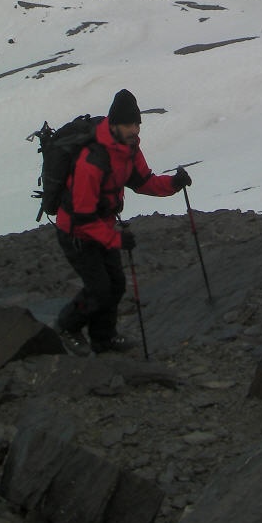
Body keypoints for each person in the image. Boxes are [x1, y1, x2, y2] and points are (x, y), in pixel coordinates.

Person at [54, 87, 191, 355]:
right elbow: (82, 216)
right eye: (129, 124)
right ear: (114, 124)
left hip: (101, 226)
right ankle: (67, 326)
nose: (135, 130)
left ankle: (103, 339)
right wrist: (116, 239)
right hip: (76, 233)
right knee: (98, 289)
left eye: (137, 124)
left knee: (116, 284)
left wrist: (173, 184)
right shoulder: (92, 161)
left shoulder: (129, 149)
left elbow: (143, 181)